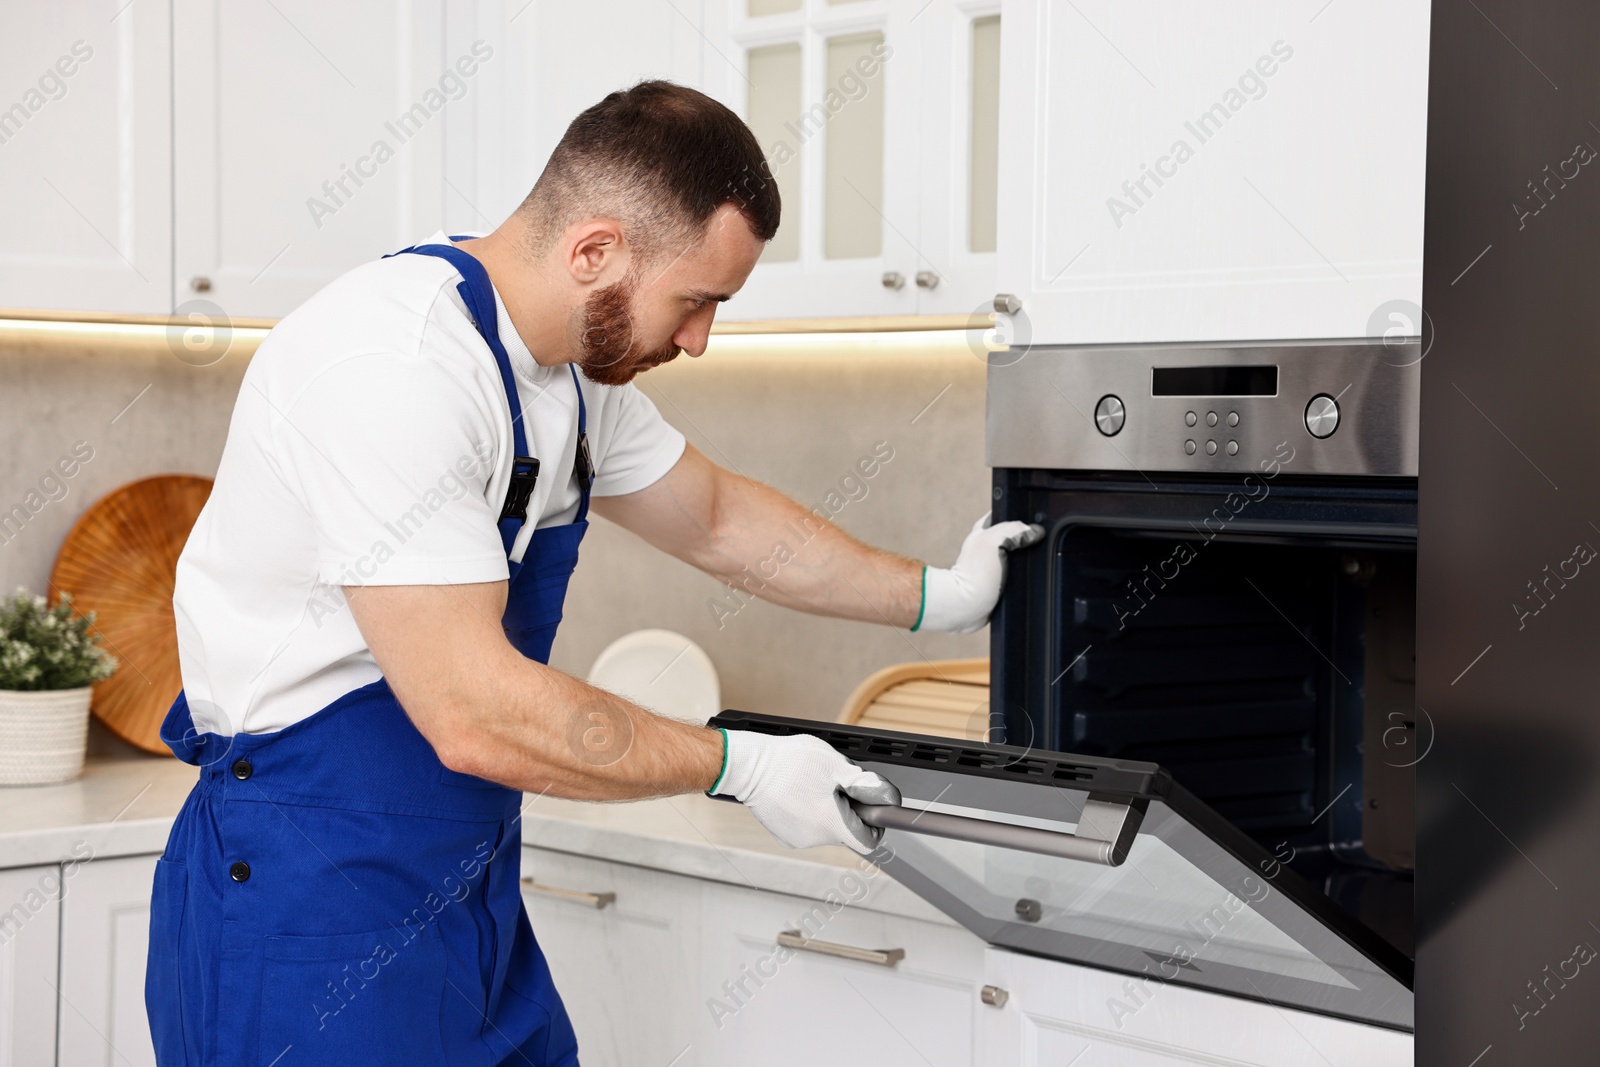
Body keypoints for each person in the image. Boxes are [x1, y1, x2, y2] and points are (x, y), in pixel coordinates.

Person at [145, 80, 1041, 1066]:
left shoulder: (567, 373)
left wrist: (941, 597)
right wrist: (741, 763)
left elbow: (717, 518)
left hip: (463, 891)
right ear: (595, 251)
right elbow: (472, 711)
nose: (700, 338)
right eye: (696, 300)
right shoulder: (390, 364)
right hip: (305, 903)